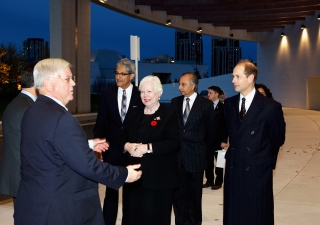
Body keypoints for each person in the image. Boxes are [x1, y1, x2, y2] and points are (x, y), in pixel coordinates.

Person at [14, 58, 142, 225]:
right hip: (59, 210)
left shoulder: (33, 112)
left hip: (35, 205)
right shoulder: (62, 119)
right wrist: (124, 175)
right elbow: (88, 165)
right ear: (49, 84)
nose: (73, 83)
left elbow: (49, 146)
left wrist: (87, 144)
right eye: (67, 79)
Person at [223, 60, 286, 225]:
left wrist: (265, 162)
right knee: (234, 213)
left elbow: (277, 138)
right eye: (233, 76)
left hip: (257, 170)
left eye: (237, 76)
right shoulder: (229, 104)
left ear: (251, 78)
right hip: (234, 168)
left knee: (257, 214)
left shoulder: (270, 107)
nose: (233, 80)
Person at [119, 75, 180, 225]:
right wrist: (127, 146)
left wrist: (148, 148)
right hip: (134, 177)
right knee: (132, 216)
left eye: (149, 92)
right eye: (142, 92)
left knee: (156, 218)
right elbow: (120, 137)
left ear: (159, 93)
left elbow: (174, 142)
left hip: (159, 179)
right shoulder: (133, 113)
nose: (145, 96)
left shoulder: (169, 114)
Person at [93, 58, 144, 225]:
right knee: (111, 191)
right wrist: (98, 146)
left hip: (132, 150)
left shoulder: (140, 95)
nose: (118, 77)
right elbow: (101, 122)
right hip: (112, 150)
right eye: (116, 73)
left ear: (132, 75)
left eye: (122, 74)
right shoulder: (107, 93)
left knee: (132, 192)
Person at [171, 72, 215, 225]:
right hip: (178, 158)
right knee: (178, 194)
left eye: (183, 84)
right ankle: (180, 221)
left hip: (196, 157)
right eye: (179, 84)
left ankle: (194, 222)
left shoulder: (206, 104)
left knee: (194, 195)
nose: (179, 87)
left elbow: (211, 133)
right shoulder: (175, 102)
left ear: (193, 85)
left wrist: (204, 153)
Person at [0, 63, 38, 203]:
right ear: (38, 81)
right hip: (27, 180)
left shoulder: (16, 104)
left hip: (18, 178)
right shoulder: (29, 109)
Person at [203, 86, 228, 190]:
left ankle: (218, 182)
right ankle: (209, 180)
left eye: (211, 93)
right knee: (207, 162)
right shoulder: (206, 106)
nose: (208, 95)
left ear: (217, 94)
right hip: (207, 140)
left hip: (218, 140)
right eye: (208, 93)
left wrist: (223, 140)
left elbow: (225, 125)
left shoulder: (223, 108)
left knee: (219, 163)